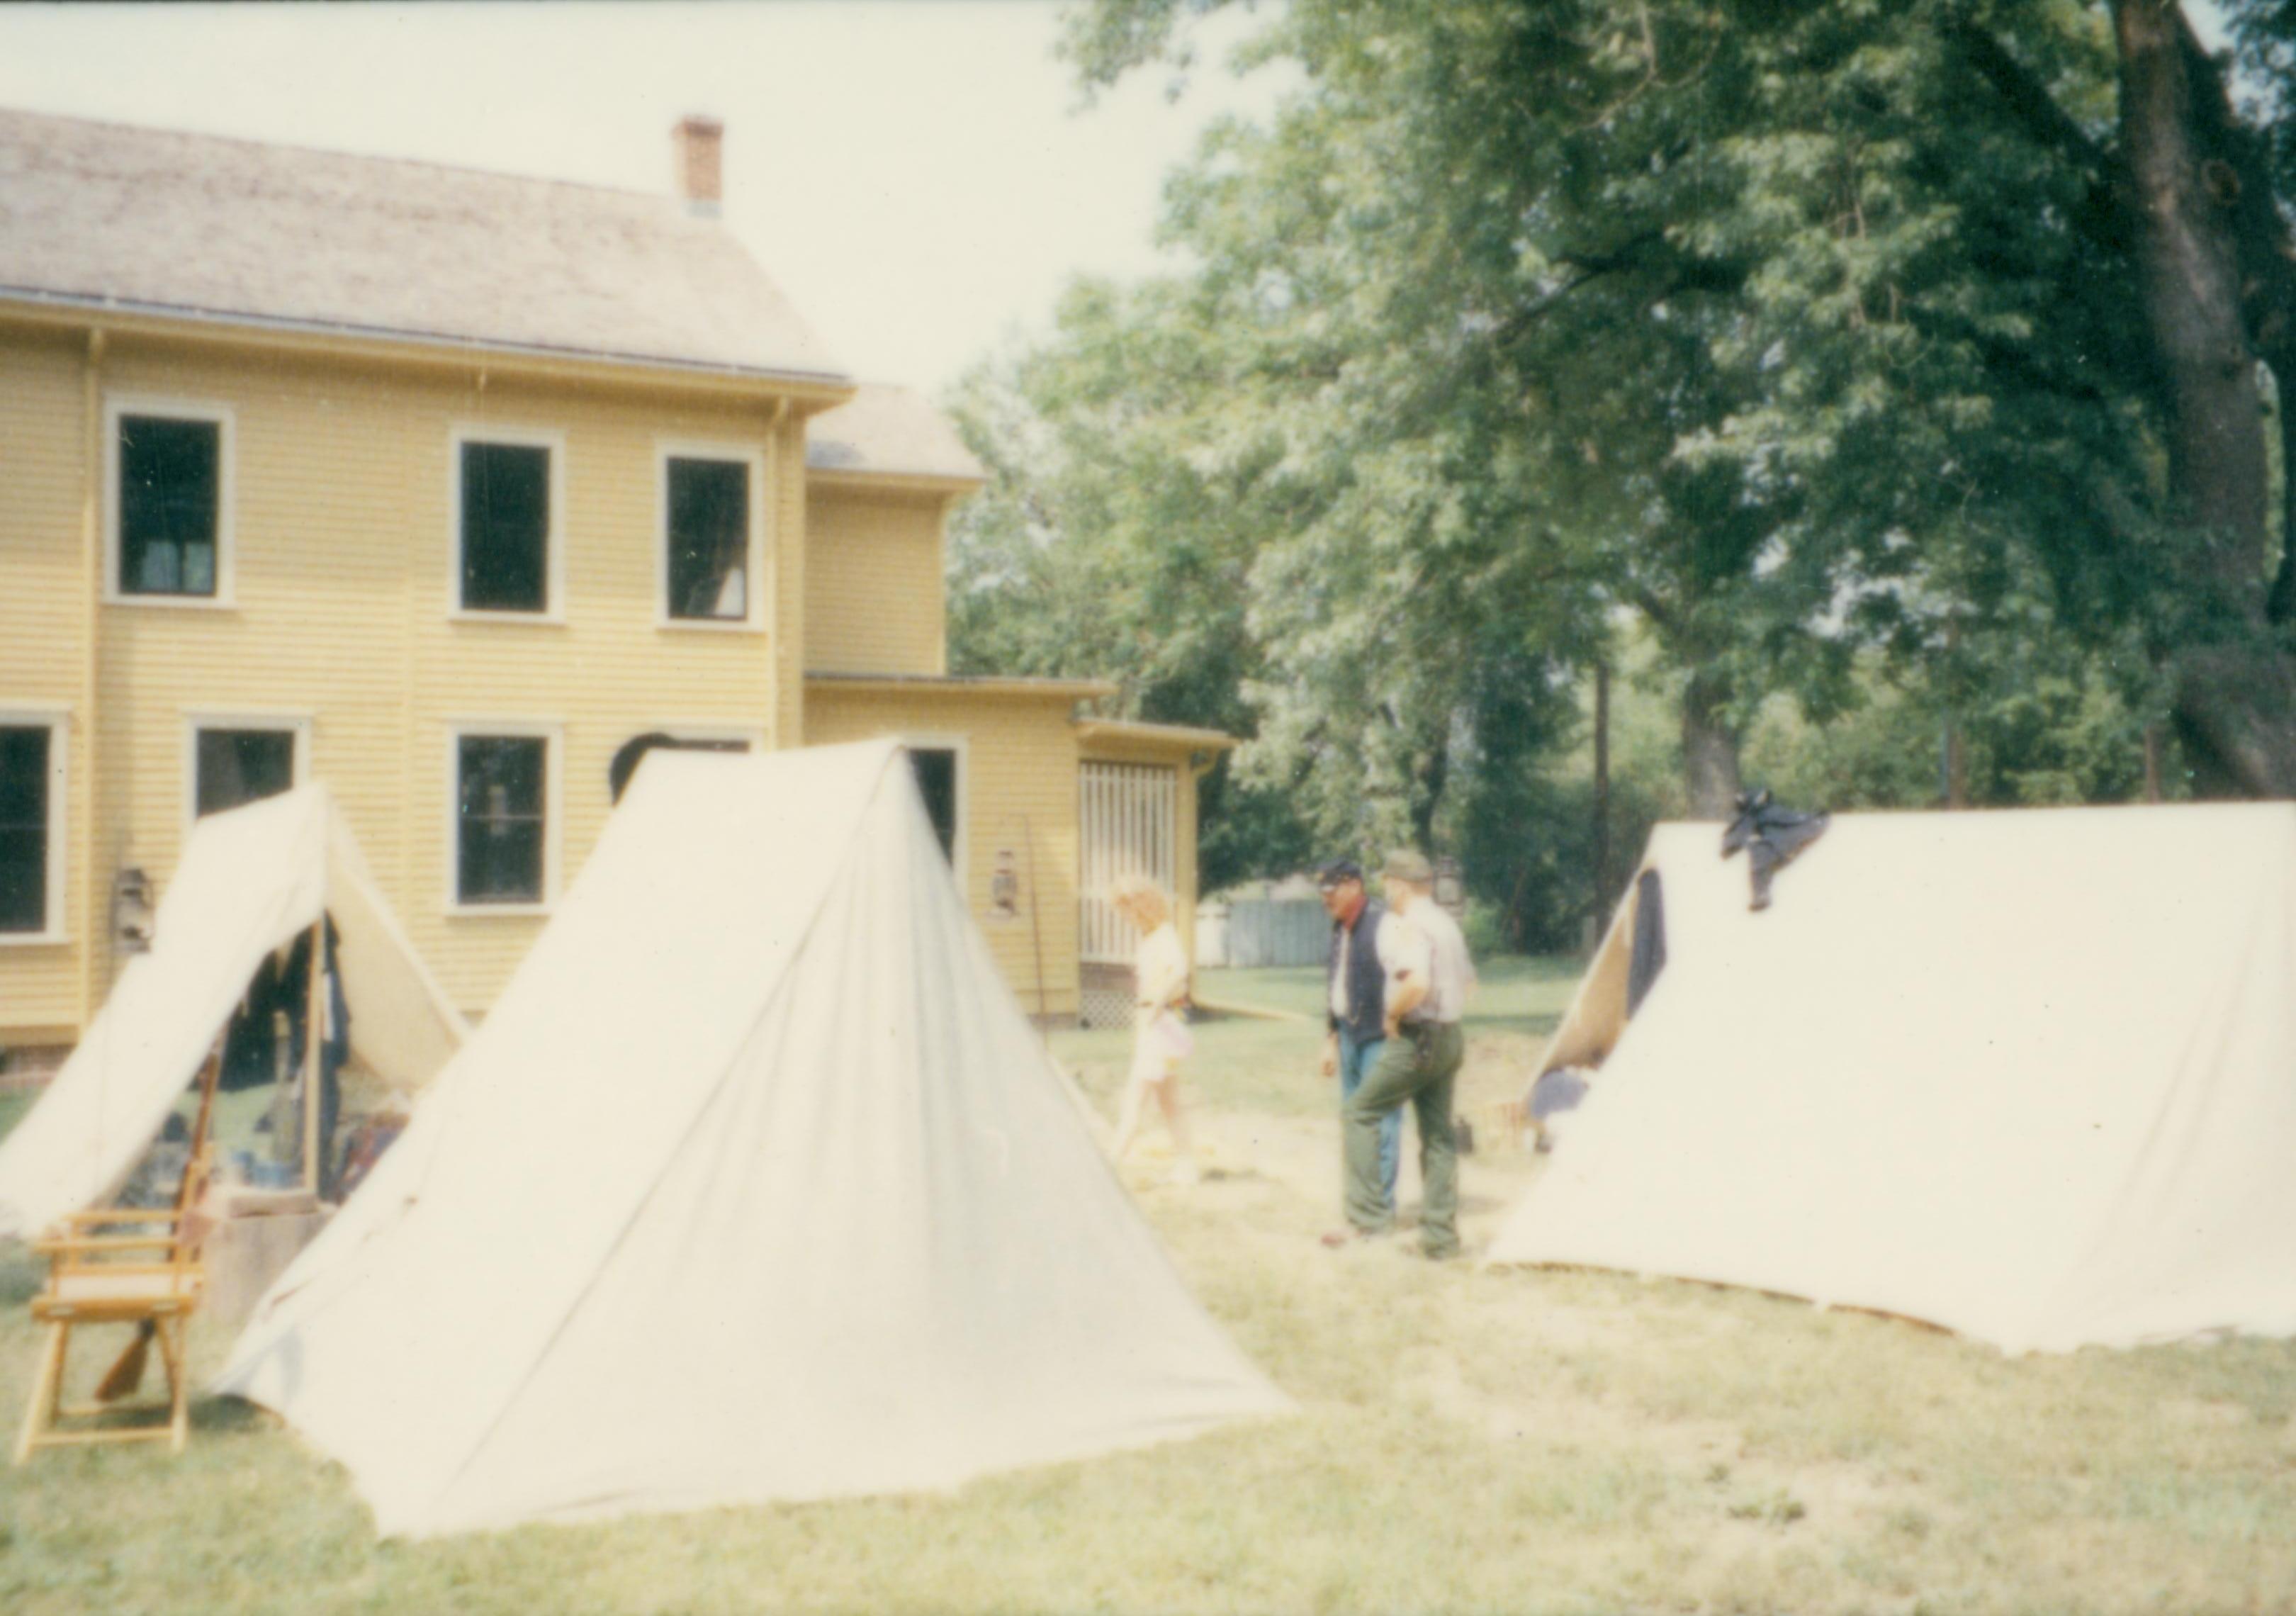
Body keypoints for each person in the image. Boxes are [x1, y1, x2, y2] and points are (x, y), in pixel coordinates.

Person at [1326, 849, 1478, 1258]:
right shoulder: (1447, 923)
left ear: (1399, 885)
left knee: (1359, 1113)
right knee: (1439, 1136)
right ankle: (1440, 1238)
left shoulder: (1404, 924)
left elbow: (1417, 983)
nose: (1385, 891)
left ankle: (1367, 1219)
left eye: (1387, 884)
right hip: (1449, 1034)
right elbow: (1468, 983)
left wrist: (1393, 1015)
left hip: (1417, 1036)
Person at [1108, 873, 1203, 1185]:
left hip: (1161, 1026)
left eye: (1126, 910)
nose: (1124, 918)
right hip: (1153, 1026)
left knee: (1135, 1097)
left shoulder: (1165, 936)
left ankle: (1109, 1164)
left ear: (1142, 906)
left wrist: (1157, 1004)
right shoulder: (1150, 939)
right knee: (1169, 1100)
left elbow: (1179, 971)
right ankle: (1187, 1162)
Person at [1318, 859, 1402, 1208]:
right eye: (1323, 893)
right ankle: (1360, 1201)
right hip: (1349, 1036)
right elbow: (1335, 984)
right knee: (1354, 1123)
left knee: (1382, 1123)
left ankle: (1379, 1207)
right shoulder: (1340, 926)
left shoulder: (1384, 925)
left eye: (1332, 891)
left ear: (1354, 886)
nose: (1327, 900)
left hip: (1380, 1039)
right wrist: (1331, 1039)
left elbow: (1406, 980)